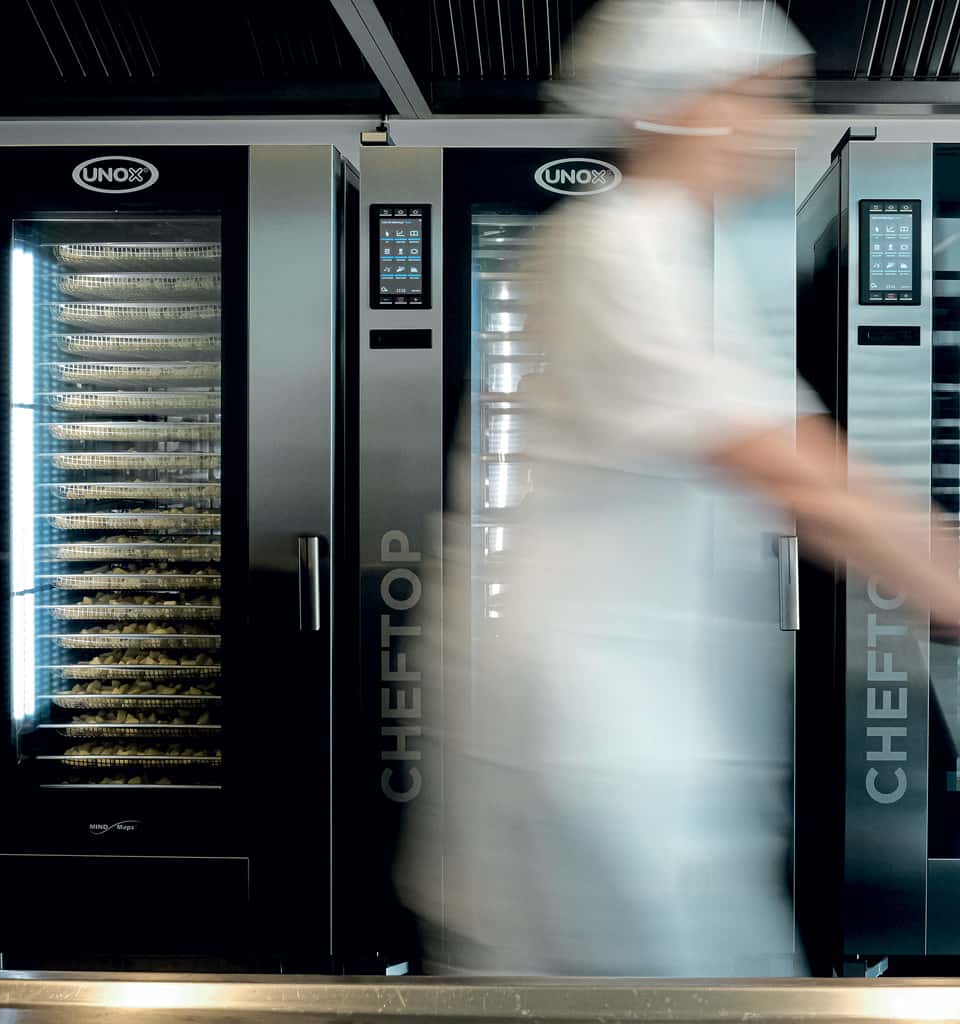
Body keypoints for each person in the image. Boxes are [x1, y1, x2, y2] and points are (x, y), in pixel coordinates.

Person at [394, 0, 960, 978]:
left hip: (641, 731)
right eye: (760, 99)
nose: (778, 126)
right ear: (679, 108)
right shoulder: (620, 247)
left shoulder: (668, 250)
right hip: (595, 744)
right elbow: (797, 473)